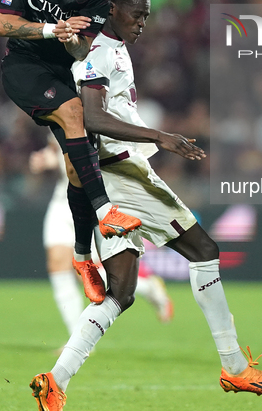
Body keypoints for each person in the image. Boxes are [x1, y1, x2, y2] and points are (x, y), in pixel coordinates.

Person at [29, 0, 262, 411]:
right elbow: (90, 116)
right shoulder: (102, 53)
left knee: (122, 291)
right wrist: (159, 137)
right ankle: (233, 365)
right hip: (123, 173)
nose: (143, 24)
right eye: (137, 15)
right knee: (203, 248)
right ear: (114, 10)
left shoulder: (109, 47)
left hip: (105, 176)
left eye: (147, 16)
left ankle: (56, 380)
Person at [0, 0, 141, 305]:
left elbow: (82, 49)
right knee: (76, 112)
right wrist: (48, 29)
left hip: (61, 73)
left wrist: (73, 39)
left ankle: (82, 259)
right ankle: (106, 210)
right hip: (23, 65)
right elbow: (2, 23)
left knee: (79, 163)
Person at [29, 139, 174, 337]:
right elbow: (57, 147)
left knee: (94, 273)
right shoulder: (57, 111)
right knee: (58, 263)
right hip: (64, 201)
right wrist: (46, 157)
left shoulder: (100, 114)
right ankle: (76, 337)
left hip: (99, 202)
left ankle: (149, 288)